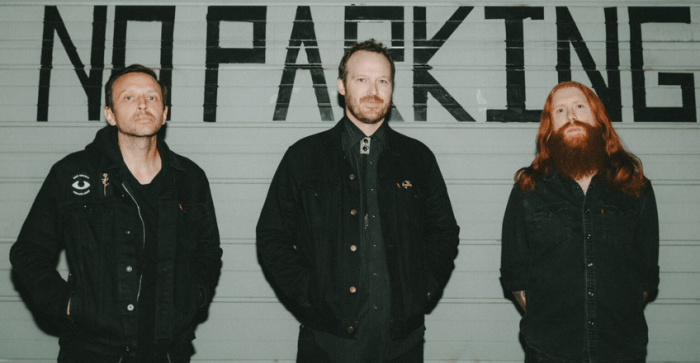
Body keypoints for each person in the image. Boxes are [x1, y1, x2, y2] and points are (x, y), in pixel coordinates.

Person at [256, 39, 460, 363]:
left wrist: (423, 286)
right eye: (361, 79)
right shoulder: (304, 157)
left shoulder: (418, 159)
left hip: (402, 345)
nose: (373, 90)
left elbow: (444, 232)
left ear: (392, 88)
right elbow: (271, 236)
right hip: (326, 343)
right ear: (342, 85)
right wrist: (308, 293)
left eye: (383, 81)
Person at [10, 64, 223, 363]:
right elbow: (29, 253)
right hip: (93, 351)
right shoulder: (72, 173)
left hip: (168, 351)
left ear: (164, 113)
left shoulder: (189, 178)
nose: (142, 105)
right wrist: (70, 304)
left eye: (152, 98)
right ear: (110, 114)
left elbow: (208, 252)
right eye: (128, 97)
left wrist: (194, 297)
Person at [500, 81, 660, 363]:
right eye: (560, 111)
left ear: (598, 118)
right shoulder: (528, 190)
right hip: (550, 353)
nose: (571, 117)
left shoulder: (634, 186)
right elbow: (517, 279)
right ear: (550, 126)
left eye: (579, 106)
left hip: (622, 350)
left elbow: (645, 278)